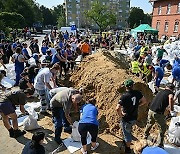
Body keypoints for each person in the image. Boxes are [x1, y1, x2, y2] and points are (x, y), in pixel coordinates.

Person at [116, 79, 147, 153]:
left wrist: (121, 115)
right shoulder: (137, 93)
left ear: (126, 87)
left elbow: (117, 108)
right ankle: (127, 142)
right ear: (132, 86)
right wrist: (137, 105)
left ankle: (128, 149)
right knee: (128, 130)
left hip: (126, 119)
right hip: (134, 118)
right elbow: (144, 101)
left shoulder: (124, 96)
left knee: (127, 135)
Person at [144, 83, 176, 148]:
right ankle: (160, 143)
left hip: (151, 110)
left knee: (150, 123)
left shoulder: (161, 91)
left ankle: (145, 135)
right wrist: (172, 110)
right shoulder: (170, 93)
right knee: (163, 127)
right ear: (172, 89)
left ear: (166, 87)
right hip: (158, 113)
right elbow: (171, 98)